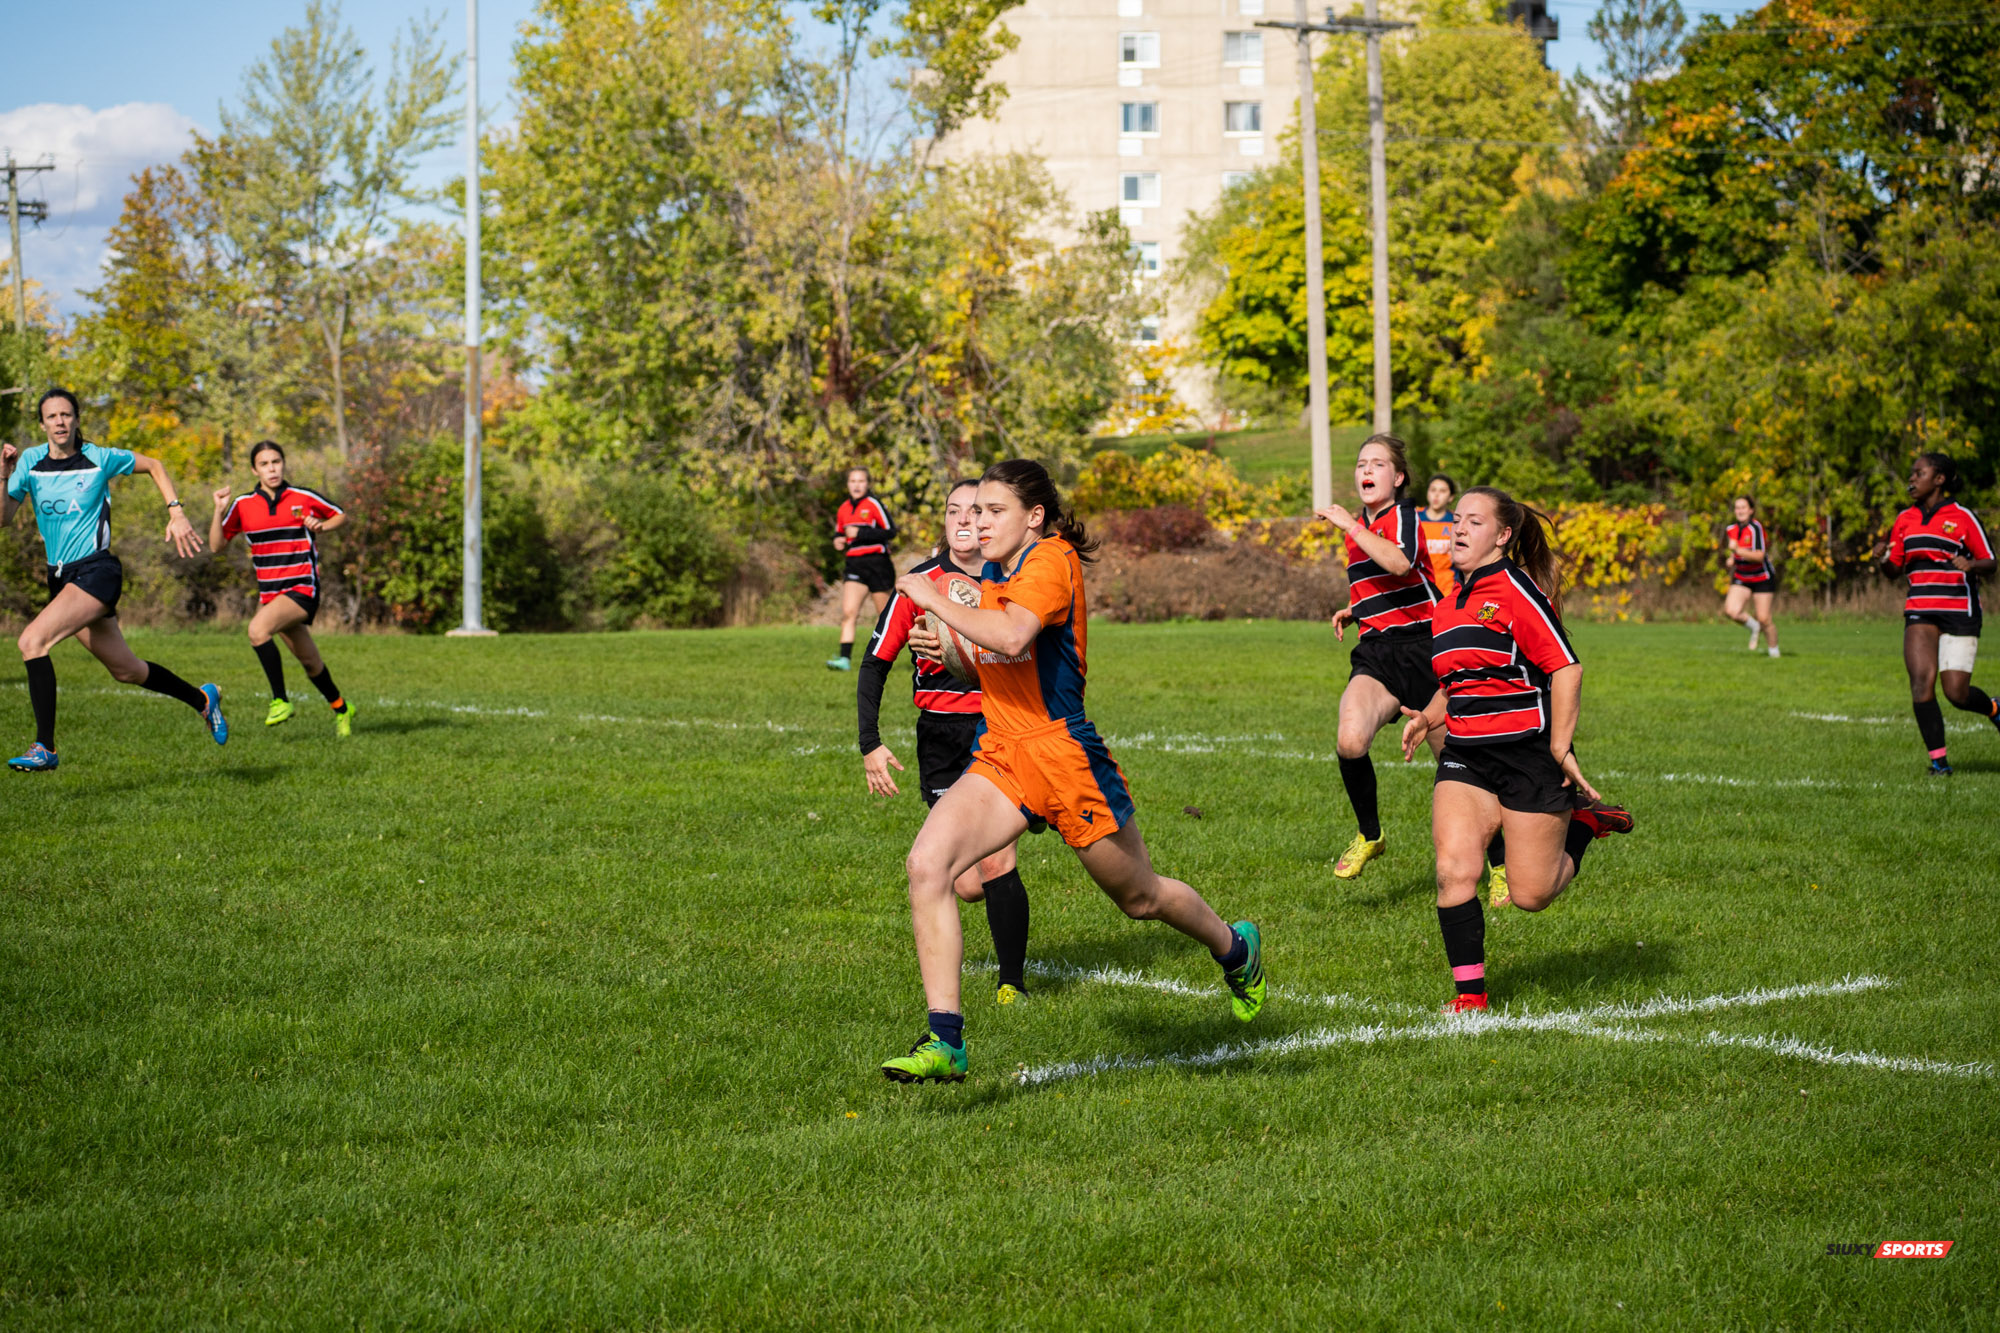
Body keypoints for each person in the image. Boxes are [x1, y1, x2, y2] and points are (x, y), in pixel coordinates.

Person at [877, 459, 1265, 1083]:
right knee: (928, 865)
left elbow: (1012, 636)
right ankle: (945, 1039)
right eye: (975, 511)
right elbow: (998, 664)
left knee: (1141, 898)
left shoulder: (1051, 560)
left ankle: (1234, 946)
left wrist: (933, 599)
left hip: (1064, 757)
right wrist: (951, 658)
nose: (978, 522)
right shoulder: (999, 572)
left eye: (994, 511)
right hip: (1002, 750)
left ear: (1034, 517)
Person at [1400, 487, 1632, 1011]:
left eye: (1474, 521)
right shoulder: (1449, 602)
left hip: (1526, 757)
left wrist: (1560, 745)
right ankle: (1470, 998)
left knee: (1531, 895)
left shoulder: (1516, 590)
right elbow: (1458, 682)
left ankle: (1585, 824)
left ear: (1503, 536)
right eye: (1456, 519)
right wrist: (1429, 717)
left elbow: (1566, 666)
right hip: (1466, 756)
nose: (1458, 528)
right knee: (1454, 869)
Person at [857, 480, 1033, 1003]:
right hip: (938, 734)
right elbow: (874, 664)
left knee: (999, 860)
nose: (963, 520)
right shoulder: (918, 585)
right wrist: (870, 742)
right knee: (964, 881)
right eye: (953, 510)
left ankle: (1011, 983)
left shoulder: (1011, 582)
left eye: (974, 510)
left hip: (997, 728)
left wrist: (966, 646)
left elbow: (1027, 656)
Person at [1, 388, 228, 772]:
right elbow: (3, 518)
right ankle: (203, 700)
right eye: (52, 416)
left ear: (76, 419)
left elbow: (155, 464)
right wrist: (4, 472)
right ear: (41, 424)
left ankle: (45, 747)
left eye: (66, 415)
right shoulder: (29, 463)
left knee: (31, 641)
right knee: (127, 670)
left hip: (97, 571)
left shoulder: (99, 458)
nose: (60, 422)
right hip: (60, 579)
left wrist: (176, 512)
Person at [1318, 435, 1444, 882]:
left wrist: (1350, 527)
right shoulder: (1360, 528)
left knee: (1458, 769)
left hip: (1429, 649)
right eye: (1360, 464)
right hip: (1377, 652)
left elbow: (1401, 563)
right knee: (1350, 741)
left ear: (1398, 477)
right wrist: (1357, 609)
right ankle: (1370, 835)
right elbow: (1383, 582)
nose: (1366, 471)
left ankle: (1499, 862)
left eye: (1377, 464)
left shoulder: (1402, 515)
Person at [209, 441, 355, 736]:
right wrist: (218, 510)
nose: (272, 468)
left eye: (276, 461)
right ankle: (341, 708)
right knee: (311, 662)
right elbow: (216, 545)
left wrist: (321, 526)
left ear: (283, 464)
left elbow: (339, 514)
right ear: (255, 469)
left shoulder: (302, 496)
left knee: (257, 631)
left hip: (303, 588)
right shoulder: (242, 505)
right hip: (272, 595)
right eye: (264, 464)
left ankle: (280, 700)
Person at [1873, 453, 1998, 776]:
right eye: (1911, 473)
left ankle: (1996, 709)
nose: (1911, 479)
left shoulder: (1963, 517)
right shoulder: (1904, 519)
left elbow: (1991, 562)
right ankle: (1939, 764)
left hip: (1959, 611)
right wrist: (1883, 556)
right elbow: (1893, 570)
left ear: (1939, 479)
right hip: (1920, 610)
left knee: (1956, 693)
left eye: (1919, 473)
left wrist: (1971, 564)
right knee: (1921, 685)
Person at [826, 467, 895, 671]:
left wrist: (861, 532)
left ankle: (909, 656)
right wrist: (837, 541)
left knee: (886, 617)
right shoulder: (843, 509)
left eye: (861, 481)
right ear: (847, 485)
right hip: (854, 564)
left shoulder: (874, 505)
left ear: (867, 484)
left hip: (877, 564)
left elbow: (890, 532)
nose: (856, 485)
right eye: (852, 481)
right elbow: (840, 533)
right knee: (848, 612)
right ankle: (845, 660)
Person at [1721, 496, 1781, 658]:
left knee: (1764, 618)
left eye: (1743, 507)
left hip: (1762, 577)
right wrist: (1732, 558)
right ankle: (1754, 627)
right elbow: (1737, 551)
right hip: (1742, 576)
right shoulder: (1731, 529)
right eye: (1737, 507)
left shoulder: (1756, 529)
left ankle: (1774, 654)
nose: (1740, 511)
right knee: (1731, 611)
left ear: (1751, 510)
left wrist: (1738, 551)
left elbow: (1759, 556)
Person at [1418, 472, 1457, 598]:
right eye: (1433, 490)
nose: (1436, 494)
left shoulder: (1456, 522)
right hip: (1418, 587)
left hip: (1447, 589)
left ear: (1451, 497)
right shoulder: (1414, 518)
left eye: (1442, 491)